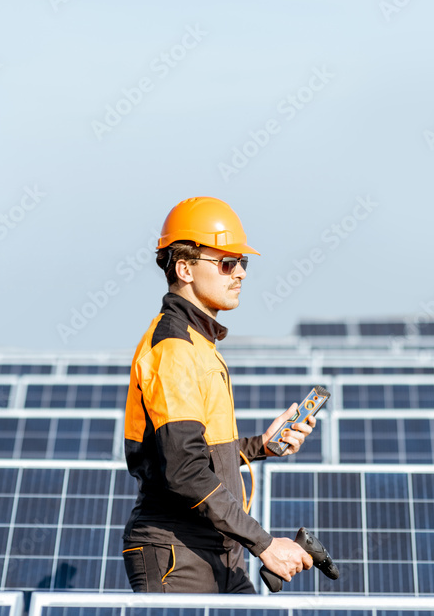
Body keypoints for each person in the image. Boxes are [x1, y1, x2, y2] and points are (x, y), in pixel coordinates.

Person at [122, 196, 316, 593]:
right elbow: (183, 468)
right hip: (178, 552)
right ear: (185, 269)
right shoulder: (173, 348)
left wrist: (262, 445)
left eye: (244, 262)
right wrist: (265, 545)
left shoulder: (197, 343)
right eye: (228, 262)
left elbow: (199, 449)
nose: (241, 272)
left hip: (219, 546)